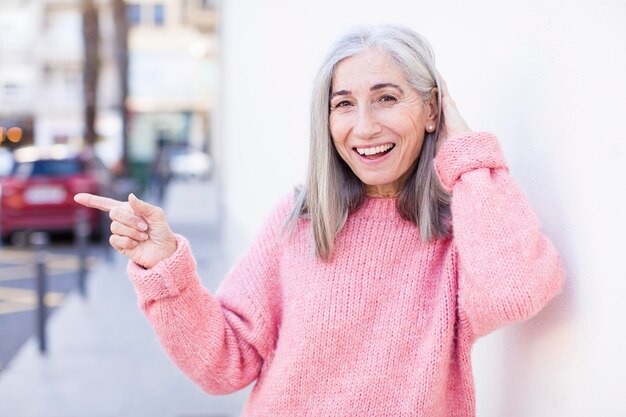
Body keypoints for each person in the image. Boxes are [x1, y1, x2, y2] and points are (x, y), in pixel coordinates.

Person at [75, 24, 564, 417]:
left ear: (431, 108)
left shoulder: (463, 227)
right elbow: (223, 365)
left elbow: (514, 291)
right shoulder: (299, 221)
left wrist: (466, 153)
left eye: (388, 98)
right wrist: (167, 271)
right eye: (344, 104)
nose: (365, 126)